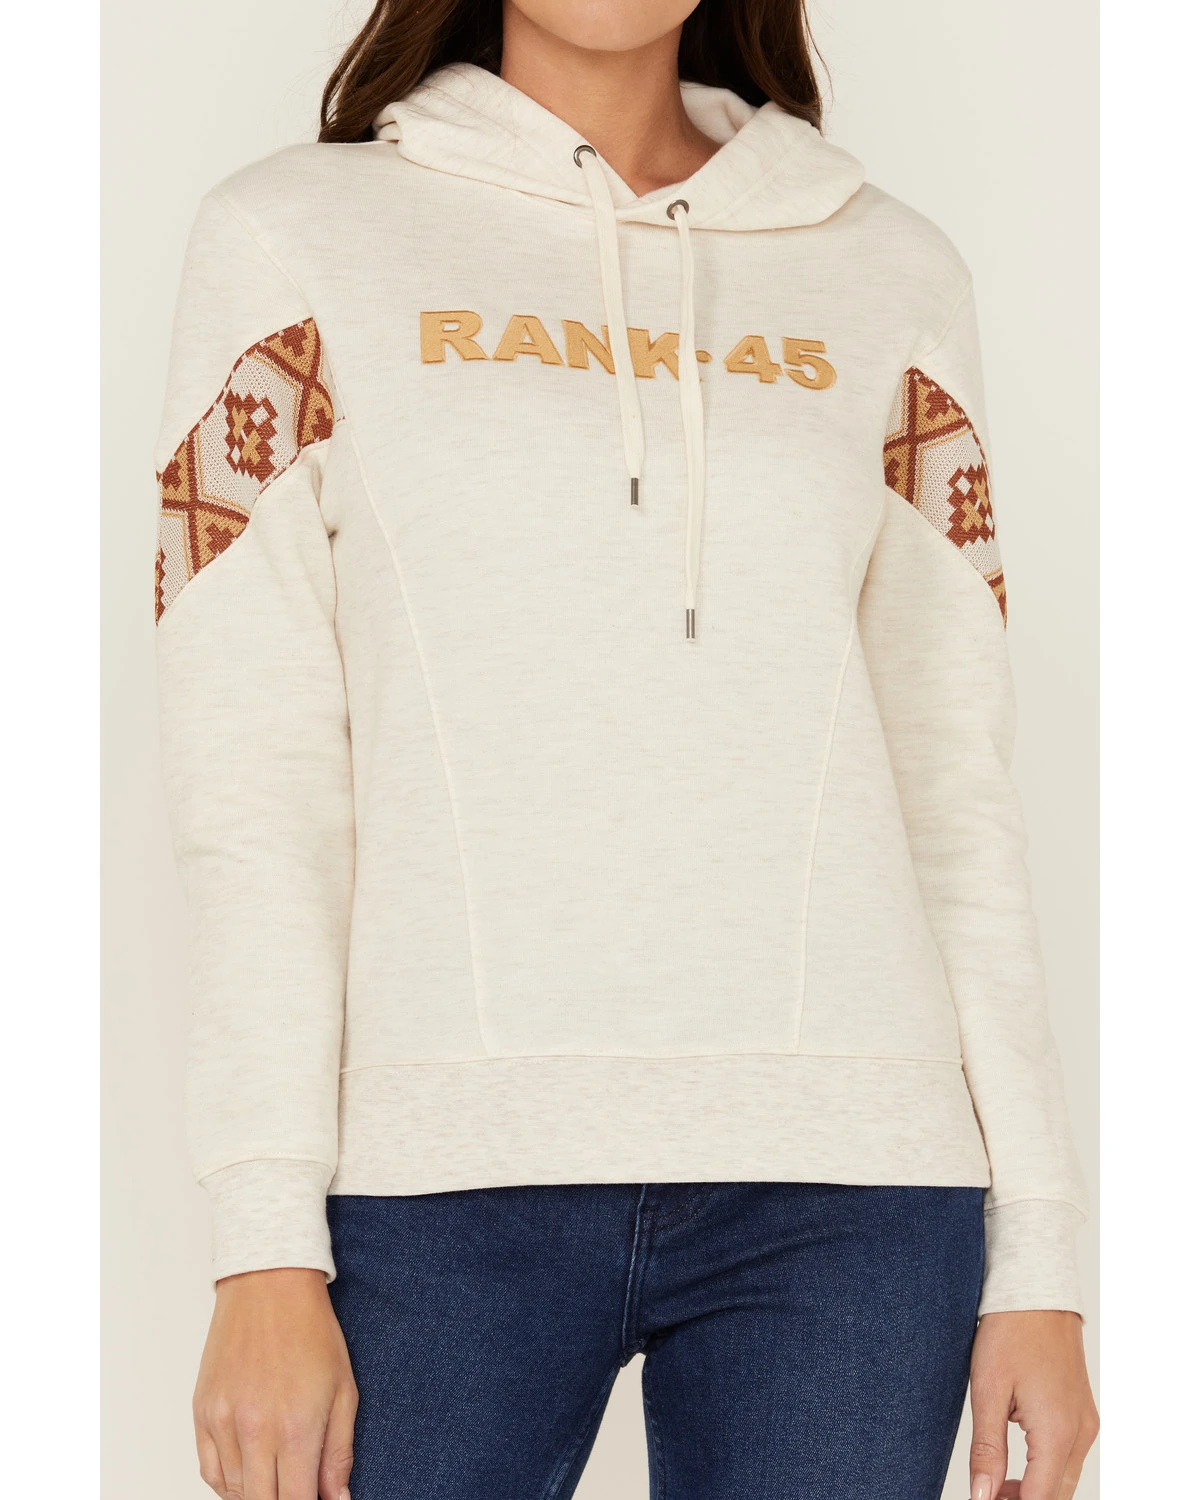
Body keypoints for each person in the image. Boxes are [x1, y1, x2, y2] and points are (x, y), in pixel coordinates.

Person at [154, 1, 1099, 1496]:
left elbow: (956, 792)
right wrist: (261, 1240)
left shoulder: (888, 266)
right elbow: (256, 780)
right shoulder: (294, 238)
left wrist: (1038, 1253)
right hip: (437, 1176)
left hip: (854, 1183)